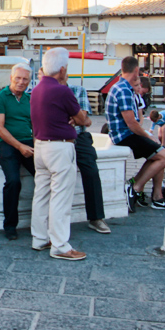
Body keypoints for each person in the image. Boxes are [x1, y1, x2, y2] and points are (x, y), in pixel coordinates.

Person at [30, 48, 89, 261]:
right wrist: (75, 118)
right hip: (60, 147)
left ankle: (39, 238)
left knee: (42, 194)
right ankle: (60, 245)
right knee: (60, 198)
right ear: (62, 69)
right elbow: (82, 119)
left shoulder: (37, 89)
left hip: (41, 146)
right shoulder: (63, 91)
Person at [107, 56, 165, 212]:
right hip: (125, 135)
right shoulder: (123, 89)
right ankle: (135, 187)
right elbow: (131, 123)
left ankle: (157, 197)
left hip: (123, 134)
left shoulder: (121, 87)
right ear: (136, 70)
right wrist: (148, 136)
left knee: (158, 154)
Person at [0, 63, 35, 240]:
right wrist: (20, 146)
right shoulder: (0, 97)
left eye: (25, 79)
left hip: (27, 141)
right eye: (18, 78)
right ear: (11, 78)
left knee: (44, 176)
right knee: (13, 181)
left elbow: (34, 125)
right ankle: (10, 225)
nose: (21, 82)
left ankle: (41, 221)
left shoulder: (29, 99)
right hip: (6, 144)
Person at [68, 81, 111, 234]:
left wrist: (76, 119)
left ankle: (96, 217)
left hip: (79, 135)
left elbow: (82, 119)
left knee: (91, 170)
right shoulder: (42, 90)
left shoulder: (77, 90)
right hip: (56, 137)